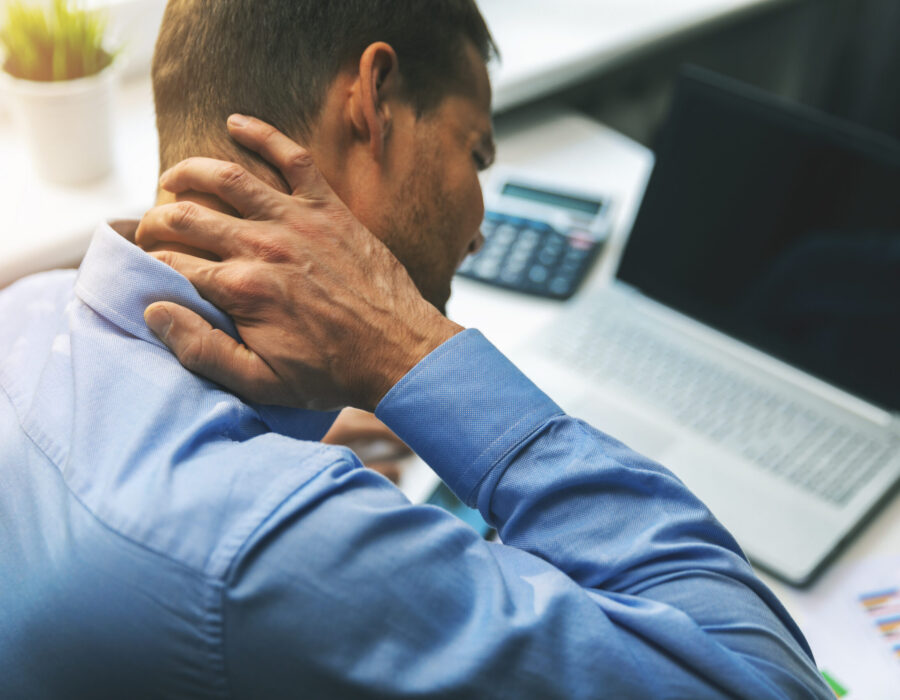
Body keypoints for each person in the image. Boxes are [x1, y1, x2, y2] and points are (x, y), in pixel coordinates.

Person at [0, 1, 833, 697]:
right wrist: (412, 352)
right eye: (475, 153)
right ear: (374, 100)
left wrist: (289, 422)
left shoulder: (27, 316)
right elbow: (765, 680)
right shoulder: (277, 542)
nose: (477, 230)